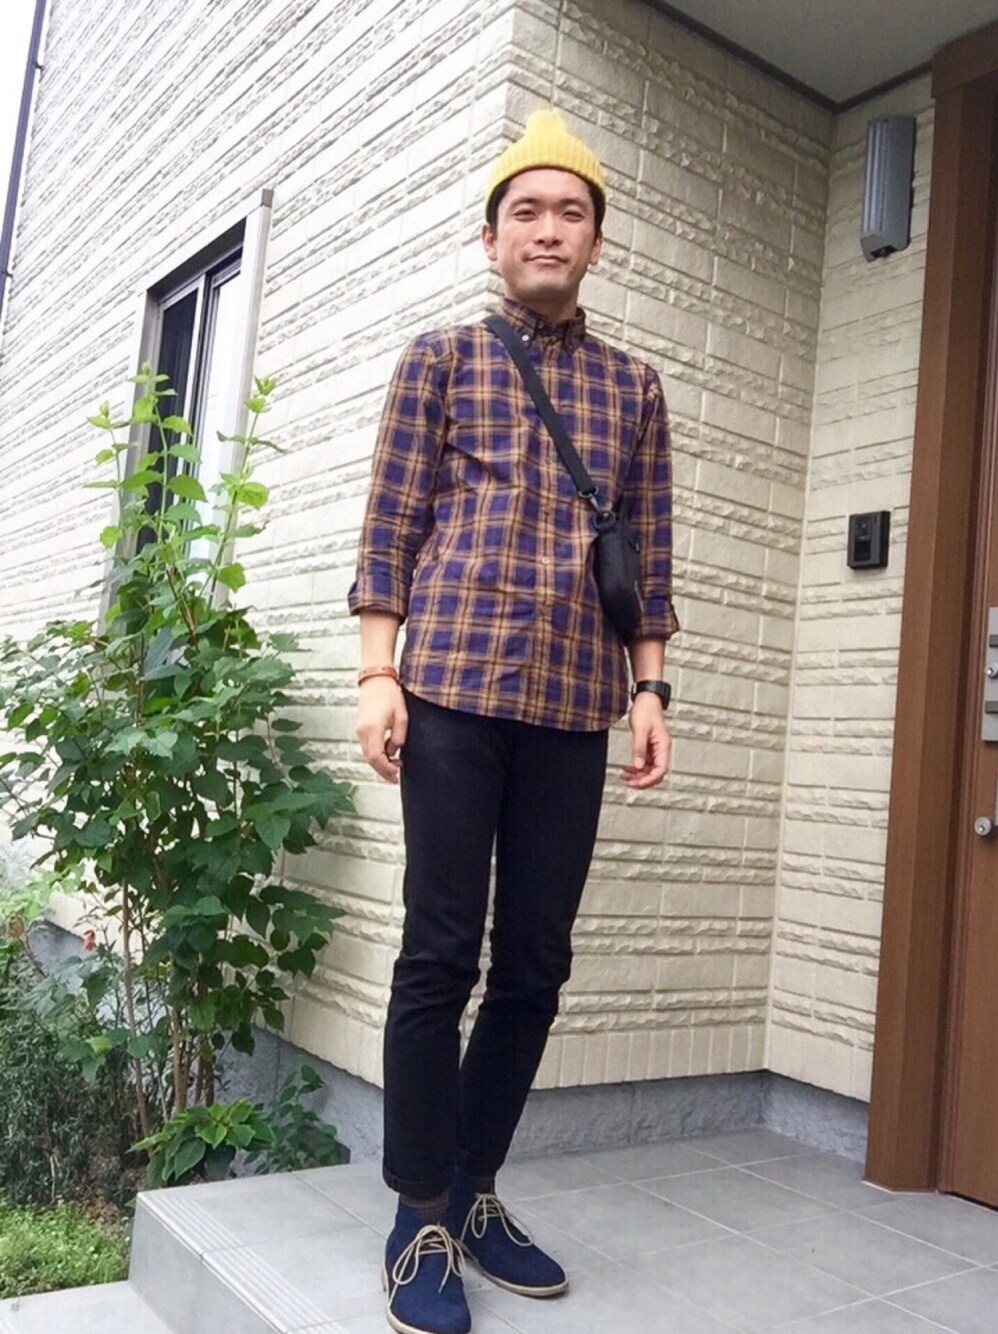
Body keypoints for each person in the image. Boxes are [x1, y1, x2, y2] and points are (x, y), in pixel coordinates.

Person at [348, 107, 679, 1334]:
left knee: (536, 959)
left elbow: (645, 553)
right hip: (448, 688)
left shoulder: (634, 388)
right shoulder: (440, 359)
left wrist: (649, 689)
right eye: (526, 211)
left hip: (573, 705)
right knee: (439, 952)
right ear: (491, 238)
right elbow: (391, 525)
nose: (548, 229)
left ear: (596, 240)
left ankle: (474, 1184)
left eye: (570, 211)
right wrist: (376, 672)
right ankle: (417, 1213)